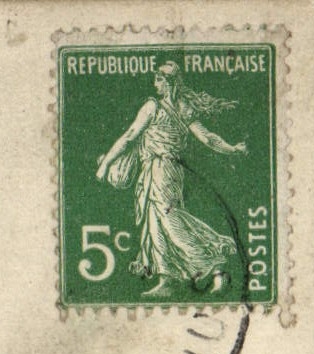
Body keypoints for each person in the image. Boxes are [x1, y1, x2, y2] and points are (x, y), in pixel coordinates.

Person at [96, 61, 247, 297]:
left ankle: (217, 266)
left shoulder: (152, 106)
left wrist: (106, 163)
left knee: (170, 221)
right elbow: (208, 138)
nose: (155, 84)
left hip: (161, 170)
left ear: (167, 82)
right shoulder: (184, 108)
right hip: (165, 171)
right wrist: (233, 149)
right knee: (156, 224)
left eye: (158, 79)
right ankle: (168, 279)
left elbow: (129, 137)